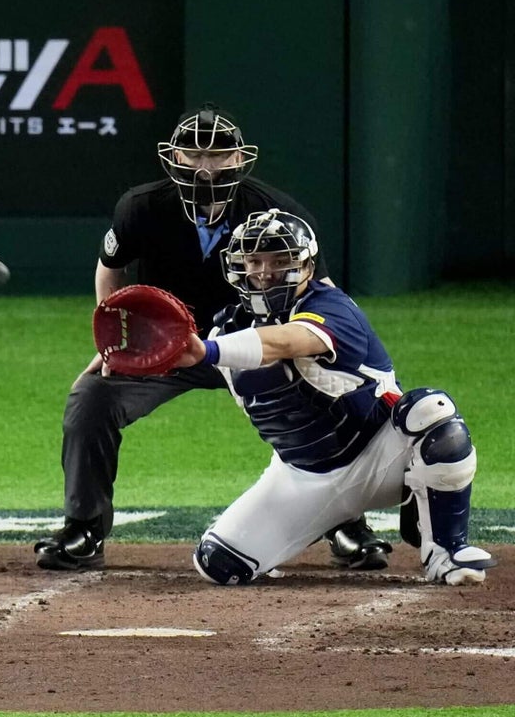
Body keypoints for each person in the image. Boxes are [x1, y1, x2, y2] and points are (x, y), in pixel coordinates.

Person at [34, 103, 391, 572]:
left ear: (240, 159)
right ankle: (84, 528)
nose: (205, 166)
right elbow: (110, 267)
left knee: (322, 399)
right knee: (92, 397)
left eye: (218, 154)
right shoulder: (142, 208)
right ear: (173, 158)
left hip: (258, 345)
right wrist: (112, 342)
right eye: (193, 154)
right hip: (166, 346)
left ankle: (345, 522)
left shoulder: (277, 213)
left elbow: (316, 291)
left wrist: (306, 354)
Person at [174, 209, 495, 585]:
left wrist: (209, 352)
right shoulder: (227, 327)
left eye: (280, 261)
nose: (264, 272)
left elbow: (290, 340)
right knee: (219, 564)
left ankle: (446, 550)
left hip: (380, 455)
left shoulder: (332, 307)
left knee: (432, 413)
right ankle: (329, 525)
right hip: (303, 476)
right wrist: (137, 353)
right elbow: (179, 357)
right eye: (254, 261)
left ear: (307, 264)